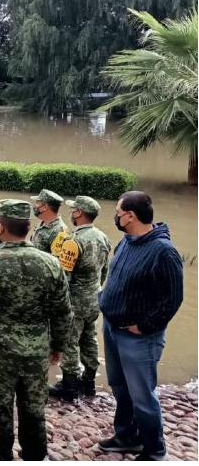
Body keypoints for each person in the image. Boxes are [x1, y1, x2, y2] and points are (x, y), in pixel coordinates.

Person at [0, 199, 72, 461]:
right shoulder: (51, 264)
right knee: (34, 411)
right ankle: (34, 457)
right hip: (36, 353)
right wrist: (58, 346)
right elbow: (63, 312)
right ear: (29, 227)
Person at [97, 191, 183, 460]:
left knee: (142, 396)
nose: (116, 217)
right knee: (119, 387)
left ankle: (155, 451)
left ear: (130, 216)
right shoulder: (127, 241)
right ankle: (127, 436)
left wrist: (145, 326)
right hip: (113, 328)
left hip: (138, 338)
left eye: (119, 212)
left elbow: (172, 299)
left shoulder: (164, 252)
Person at [49, 195, 111, 401]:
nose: (72, 213)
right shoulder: (103, 237)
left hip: (75, 302)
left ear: (79, 213)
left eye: (74, 210)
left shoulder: (73, 242)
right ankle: (89, 381)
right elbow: (104, 272)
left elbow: (64, 278)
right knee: (89, 338)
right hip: (95, 299)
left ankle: (69, 385)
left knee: (70, 342)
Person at [30, 189, 69, 256]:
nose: (35, 206)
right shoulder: (42, 223)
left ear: (45, 207)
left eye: (37, 203)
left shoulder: (60, 231)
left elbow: (57, 262)